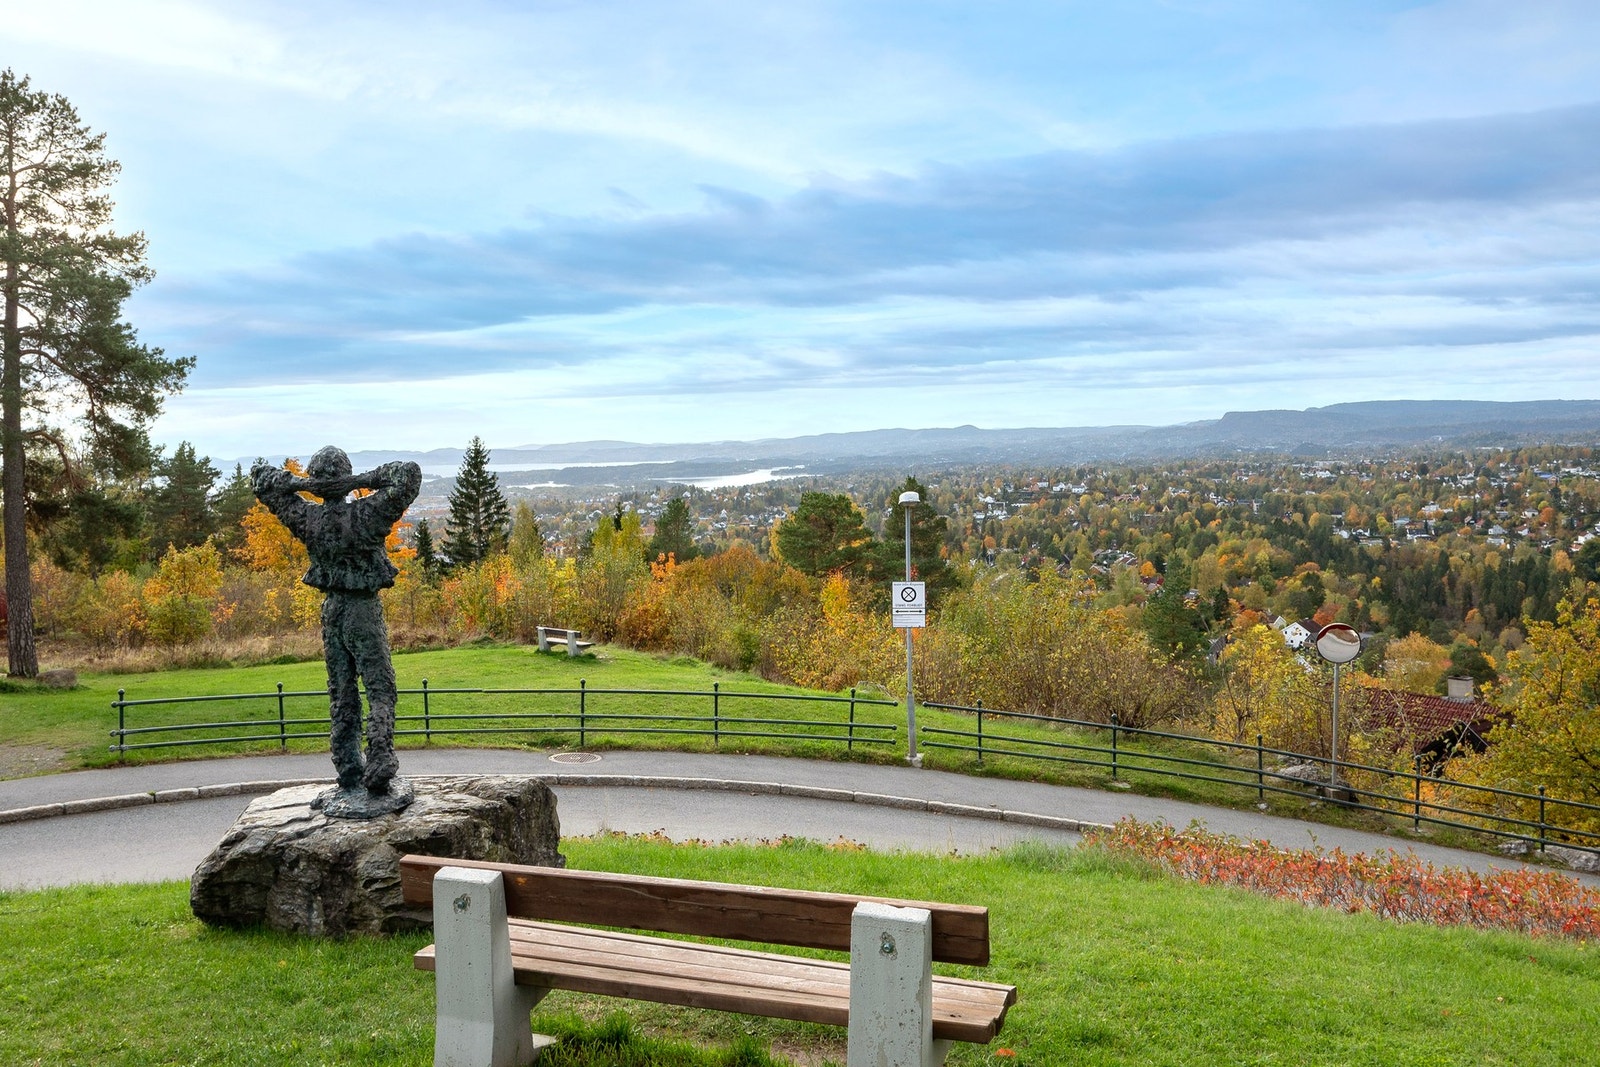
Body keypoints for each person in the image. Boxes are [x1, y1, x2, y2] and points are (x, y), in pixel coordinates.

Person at [252, 447, 422, 804]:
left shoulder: (307, 518)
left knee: (342, 693)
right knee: (380, 688)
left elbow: (262, 479)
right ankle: (379, 759)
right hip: (363, 611)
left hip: (331, 612)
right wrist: (357, 481)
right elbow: (408, 474)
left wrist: (305, 485)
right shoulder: (366, 514)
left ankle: (348, 768)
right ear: (344, 476)